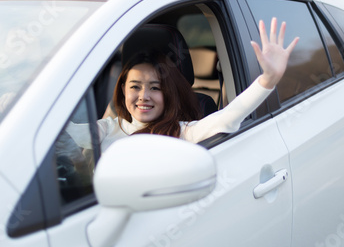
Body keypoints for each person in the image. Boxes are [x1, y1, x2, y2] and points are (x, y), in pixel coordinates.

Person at [65, 17, 298, 152]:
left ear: (168, 93)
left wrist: (267, 80)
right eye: (135, 86)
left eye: (155, 88)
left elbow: (227, 118)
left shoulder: (182, 132)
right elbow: (64, 135)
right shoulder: (107, 128)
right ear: (122, 89)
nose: (143, 96)